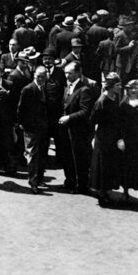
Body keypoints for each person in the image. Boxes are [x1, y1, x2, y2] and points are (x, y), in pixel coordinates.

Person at [59, 61, 94, 194]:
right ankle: (70, 181)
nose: (67, 75)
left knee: (79, 159)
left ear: (78, 73)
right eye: (66, 73)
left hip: (78, 131)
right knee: (67, 157)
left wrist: (69, 117)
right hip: (67, 130)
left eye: (70, 73)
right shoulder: (68, 87)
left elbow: (85, 111)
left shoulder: (84, 90)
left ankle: (81, 185)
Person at [89, 73, 123, 207]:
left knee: (109, 165)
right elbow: (93, 119)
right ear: (110, 86)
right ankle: (101, 194)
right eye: (117, 85)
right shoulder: (101, 101)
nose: (120, 87)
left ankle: (106, 191)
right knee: (102, 166)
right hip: (103, 138)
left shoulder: (115, 97)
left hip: (112, 137)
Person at [17, 66, 50, 194]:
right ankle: (33, 182)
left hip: (43, 128)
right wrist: (22, 124)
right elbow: (20, 108)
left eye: (43, 77)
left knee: (42, 154)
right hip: (30, 128)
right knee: (32, 155)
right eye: (38, 76)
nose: (40, 79)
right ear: (34, 75)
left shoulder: (45, 89)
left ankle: (39, 178)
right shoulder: (28, 89)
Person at [120, 79, 138, 205]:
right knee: (126, 166)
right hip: (128, 140)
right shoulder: (123, 104)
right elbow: (120, 123)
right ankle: (125, 192)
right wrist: (121, 139)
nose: (133, 90)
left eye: (135, 88)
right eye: (131, 88)